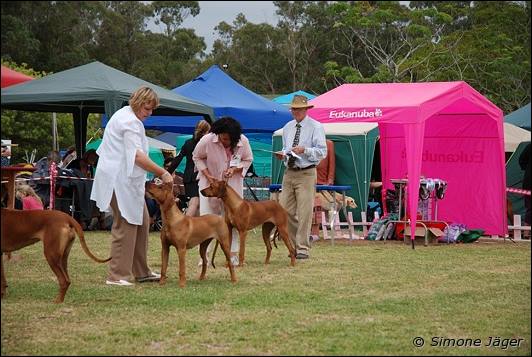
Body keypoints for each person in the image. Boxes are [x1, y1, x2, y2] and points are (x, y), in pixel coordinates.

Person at [90, 86, 174, 287]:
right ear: (137, 102)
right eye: (147, 108)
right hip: (118, 181)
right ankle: (117, 275)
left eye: (152, 109)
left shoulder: (126, 116)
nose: (150, 113)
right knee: (125, 224)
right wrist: (162, 172)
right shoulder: (129, 121)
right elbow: (136, 156)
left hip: (127, 182)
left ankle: (141, 271)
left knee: (143, 221)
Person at [193, 116, 253, 266]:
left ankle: (232, 255)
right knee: (207, 220)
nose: (224, 142)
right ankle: (204, 256)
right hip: (210, 185)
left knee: (233, 220)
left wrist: (235, 169)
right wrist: (207, 174)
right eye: (222, 138)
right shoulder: (207, 140)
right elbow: (196, 157)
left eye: (228, 140)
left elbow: (248, 160)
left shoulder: (243, 141)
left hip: (232, 186)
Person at [275, 95, 327, 260]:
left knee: (305, 211)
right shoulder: (287, 127)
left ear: (306, 110)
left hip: (306, 172)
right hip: (289, 171)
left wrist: (305, 150)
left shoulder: (316, 127)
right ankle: (293, 245)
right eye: (293, 109)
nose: (295, 111)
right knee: (284, 210)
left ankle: (303, 247)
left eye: (298, 109)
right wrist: (283, 155)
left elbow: (322, 152)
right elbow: (286, 148)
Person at [166, 120, 211, 217]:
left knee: (197, 204)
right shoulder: (206, 144)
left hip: (188, 177)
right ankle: (184, 225)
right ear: (206, 131)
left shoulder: (188, 143)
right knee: (195, 202)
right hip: (198, 176)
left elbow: (177, 159)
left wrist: (167, 172)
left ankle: (196, 228)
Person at [311, 139, 336, 239]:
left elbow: (331, 163)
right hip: (308, 182)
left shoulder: (328, 144)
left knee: (327, 204)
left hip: (322, 183)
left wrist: (330, 179)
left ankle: (325, 226)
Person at [519, 143, 531, 232]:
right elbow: (522, 160)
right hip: (529, 182)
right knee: (530, 207)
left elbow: (522, 160)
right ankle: (527, 232)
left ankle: (526, 232)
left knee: (529, 207)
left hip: (528, 181)